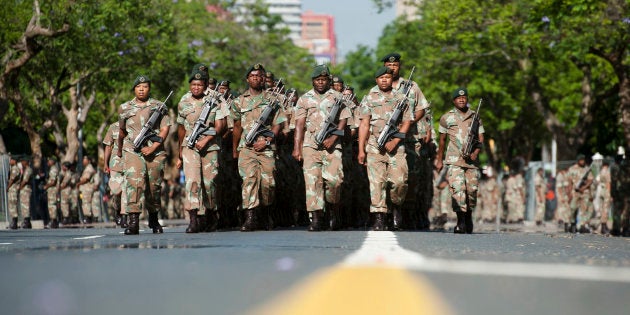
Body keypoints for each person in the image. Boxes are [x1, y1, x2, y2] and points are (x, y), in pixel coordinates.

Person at [292, 65, 352, 231]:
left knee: (335, 181)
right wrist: (297, 148)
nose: (320, 82)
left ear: (328, 80)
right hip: (310, 145)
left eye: (324, 80)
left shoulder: (337, 97)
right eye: (318, 80)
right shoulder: (304, 99)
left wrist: (333, 138)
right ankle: (317, 218)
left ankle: (333, 212)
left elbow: (344, 120)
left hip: (332, 146)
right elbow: (299, 125)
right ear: (313, 81)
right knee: (312, 182)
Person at [231, 63, 286, 231]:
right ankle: (250, 217)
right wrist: (235, 149)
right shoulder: (239, 101)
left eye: (259, 75)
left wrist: (267, 141)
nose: (256, 78)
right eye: (253, 75)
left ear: (264, 79)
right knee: (249, 181)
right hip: (246, 148)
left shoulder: (273, 100)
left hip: (266, 148)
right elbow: (237, 127)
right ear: (248, 79)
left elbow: (278, 125)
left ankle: (267, 212)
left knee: (268, 183)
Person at [357, 66, 412, 231]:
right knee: (377, 183)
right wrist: (361, 149)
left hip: (397, 148)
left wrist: (395, 141)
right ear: (376, 80)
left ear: (391, 79)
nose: (384, 80)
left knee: (400, 182)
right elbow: (364, 124)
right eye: (381, 78)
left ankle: (396, 207)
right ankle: (379, 217)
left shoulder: (401, 98)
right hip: (375, 147)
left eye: (387, 77)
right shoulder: (368, 99)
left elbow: (407, 122)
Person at [381, 52, 430, 230]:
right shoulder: (380, 85)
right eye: (389, 65)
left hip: (408, 140)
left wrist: (408, 122)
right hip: (386, 140)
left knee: (408, 179)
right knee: (385, 177)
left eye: (395, 65)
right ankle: (385, 215)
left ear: (399, 66)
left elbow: (421, 110)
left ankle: (405, 214)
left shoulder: (411, 86)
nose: (392, 68)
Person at [176, 64, 227, 233]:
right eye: (193, 84)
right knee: (192, 182)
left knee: (209, 182)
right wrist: (179, 153)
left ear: (205, 84)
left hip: (210, 147)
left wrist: (207, 139)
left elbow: (221, 125)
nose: (196, 87)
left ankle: (211, 213)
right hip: (189, 147)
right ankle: (194, 218)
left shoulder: (216, 99)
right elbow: (181, 129)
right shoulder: (184, 101)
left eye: (199, 84)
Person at [117, 74, 170, 235]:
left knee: (154, 187)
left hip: (154, 152)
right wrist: (119, 151)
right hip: (132, 150)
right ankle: (133, 222)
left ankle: (153, 219)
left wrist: (153, 147)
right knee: (134, 183)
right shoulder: (124, 108)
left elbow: (164, 128)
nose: (141, 89)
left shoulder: (159, 106)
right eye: (139, 87)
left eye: (145, 86)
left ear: (149, 89)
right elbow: (121, 131)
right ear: (134, 89)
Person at [434, 87, 485, 234]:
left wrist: (476, 152)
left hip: (471, 162)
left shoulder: (475, 117)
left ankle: (468, 217)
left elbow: (481, 138)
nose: (461, 99)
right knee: (458, 190)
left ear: (467, 99)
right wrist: (439, 160)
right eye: (458, 98)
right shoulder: (446, 118)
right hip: (454, 160)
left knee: (471, 191)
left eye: (464, 97)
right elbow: (442, 140)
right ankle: (460, 221)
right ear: (454, 101)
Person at [103, 121, 127, 227]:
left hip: (130, 162)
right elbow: (108, 146)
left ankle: (125, 217)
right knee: (116, 191)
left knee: (127, 189)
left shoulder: (134, 124)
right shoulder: (113, 127)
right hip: (115, 163)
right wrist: (105, 163)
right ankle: (117, 210)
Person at [566, 154, 593, 233]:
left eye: (583, 160)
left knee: (584, 209)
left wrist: (584, 187)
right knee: (572, 208)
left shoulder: (587, 169)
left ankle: (582, 225)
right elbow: (569, 182)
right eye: (581, 160)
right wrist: (569, 194)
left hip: (585, 192)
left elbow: (590, 180)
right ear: (578, 161)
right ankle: (572, 222)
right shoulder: (572, 169)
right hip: (575, 192)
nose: (582, 161)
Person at [76, 155, 96, 223]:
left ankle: (88, 217)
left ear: (89, 161)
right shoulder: (87, 168)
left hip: (87, 188)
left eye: (85, 159)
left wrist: (78, 183)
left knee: (86, 203)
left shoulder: (89, 168)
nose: (83, 161)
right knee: (86, 202)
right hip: (86, 188)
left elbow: (86, 179)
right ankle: (88, 217)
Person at [43, 156, 60, 229]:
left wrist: (46, 186)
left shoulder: (53, 169)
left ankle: (53, 221)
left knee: (52, 205)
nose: (48, 162)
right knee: (52, 205)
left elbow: (53, 182)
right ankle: (54, 221)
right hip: (52, 190)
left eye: (49, 161)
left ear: (52, 161)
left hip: (52, 190)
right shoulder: (53, 169)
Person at [596, 160, 611, 235]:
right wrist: (609, 194)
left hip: (601, 190)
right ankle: (604, 226)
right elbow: (608, 183)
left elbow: (598, 181)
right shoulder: (607, 171)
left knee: (602, 208)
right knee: (605, 209)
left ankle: (603, 226)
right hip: (606, 191)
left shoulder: (601, 171)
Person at [18, 156, 33, 229]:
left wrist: (19, 187)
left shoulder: (28, 170)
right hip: (24, 189)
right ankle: (26, 221)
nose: (21, 163)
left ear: (26, 161)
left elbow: (25, 180)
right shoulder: (25, 169)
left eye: (23, 161)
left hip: (26, 190)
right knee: (24, 205)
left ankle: (27, 222)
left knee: (26, 205)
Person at [6, 155, 21, 229]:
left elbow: (12, 179)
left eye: (11, 160)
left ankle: (14, 222)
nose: (10, 161)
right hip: (13, 189)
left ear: (14, 161)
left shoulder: (15, 169)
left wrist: (7, 187)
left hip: (13, 189)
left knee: (13, 205)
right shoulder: (13, 168)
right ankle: (13, 221)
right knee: (12, 205)